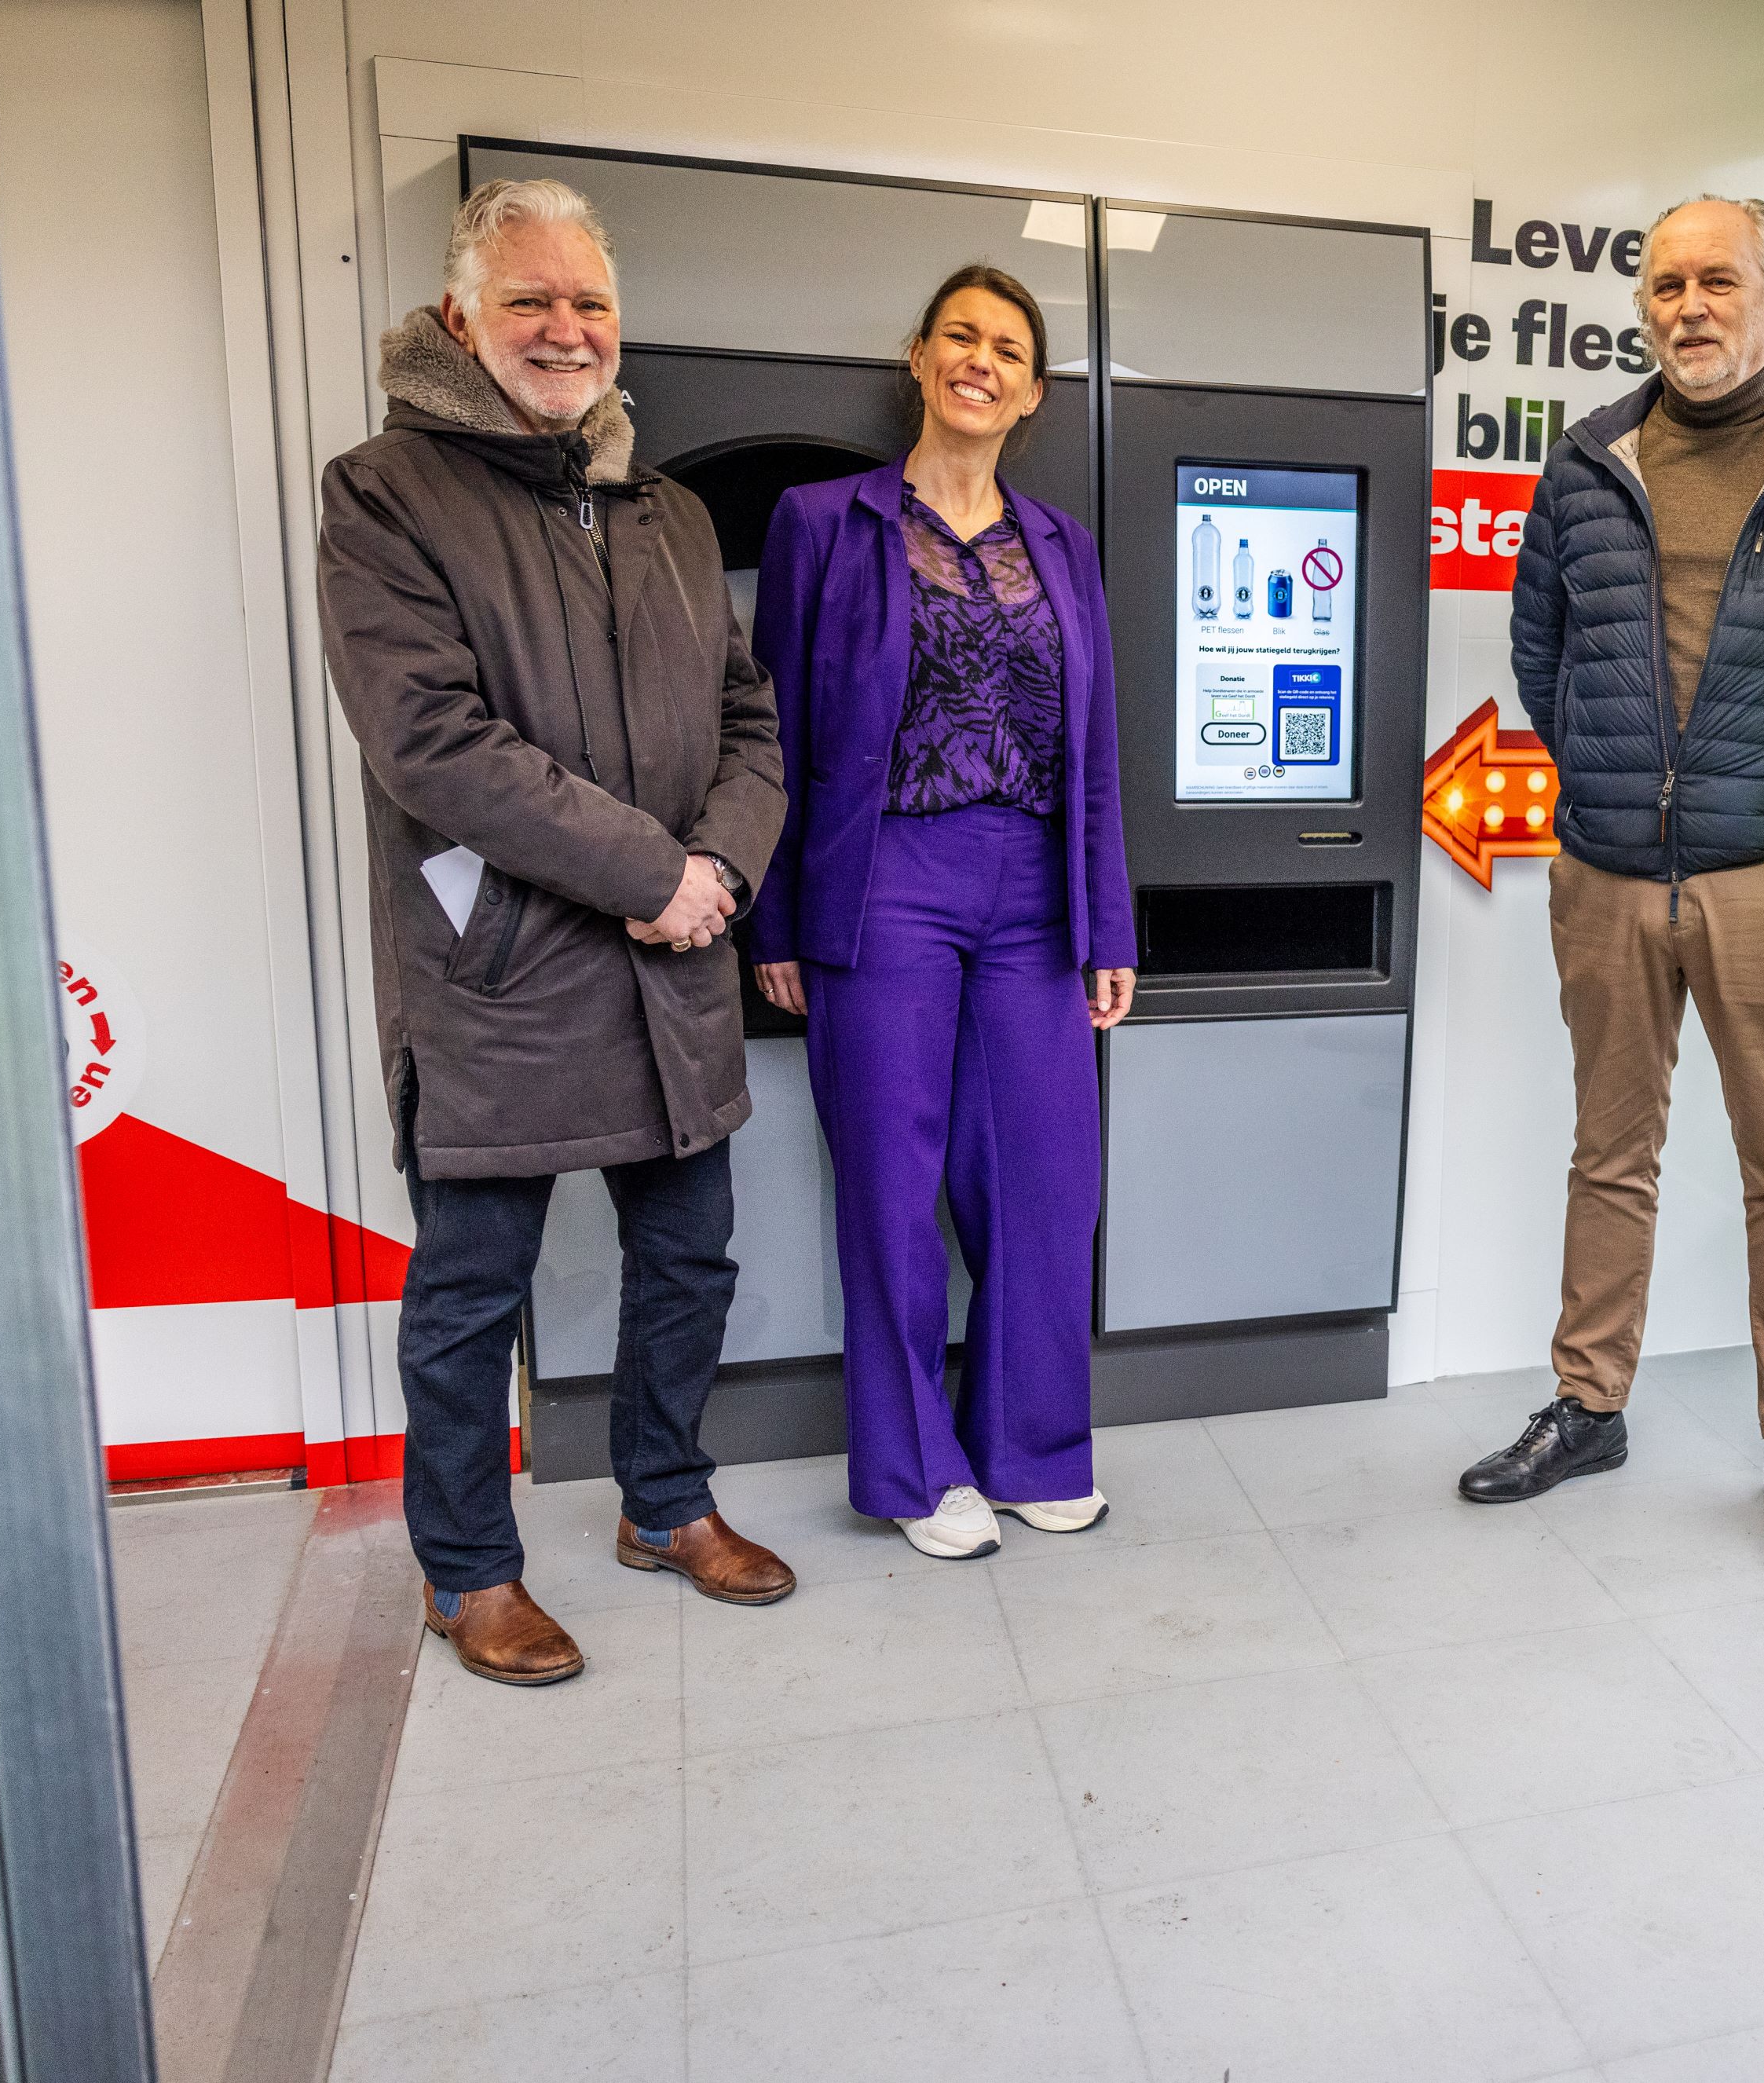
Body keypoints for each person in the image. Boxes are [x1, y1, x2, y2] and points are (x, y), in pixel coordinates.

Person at [318, 178, 795, 1686]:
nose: (565, 329)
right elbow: (432, 742)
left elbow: (748, 718)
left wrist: (716, 864)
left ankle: (665, 1503)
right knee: (473, 1290)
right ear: (464, 317)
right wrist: (654, 872)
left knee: (691, 1257)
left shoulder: (667, 511)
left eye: (587, 301)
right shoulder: (384, 492)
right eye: (530, 301)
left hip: (676, 959)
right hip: (504, 972)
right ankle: (468, 1572)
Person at [1454, 196, 1764, 1567]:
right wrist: (1611, 782)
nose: (1687, 307)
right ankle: (1590, 1405)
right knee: (1611, 1149)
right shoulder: (1589, 461)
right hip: (1606, 870)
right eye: (1664, 287)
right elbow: (1545, 654)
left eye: (1718, 282)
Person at [747, 265, 1134, 1561]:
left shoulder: (1064, 544)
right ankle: (916, 1471)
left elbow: (1096, 752)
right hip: (885, 882)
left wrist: (1108, 926)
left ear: (1031, 393)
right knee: (893, 1182)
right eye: (959, 337)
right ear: (918, 360)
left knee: (1044, 1176)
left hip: (1034, 886)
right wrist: (780, 920)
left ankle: (1031, 1449)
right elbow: (783, 733)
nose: (981, 360)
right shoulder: (824, 522)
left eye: (1008, 349)